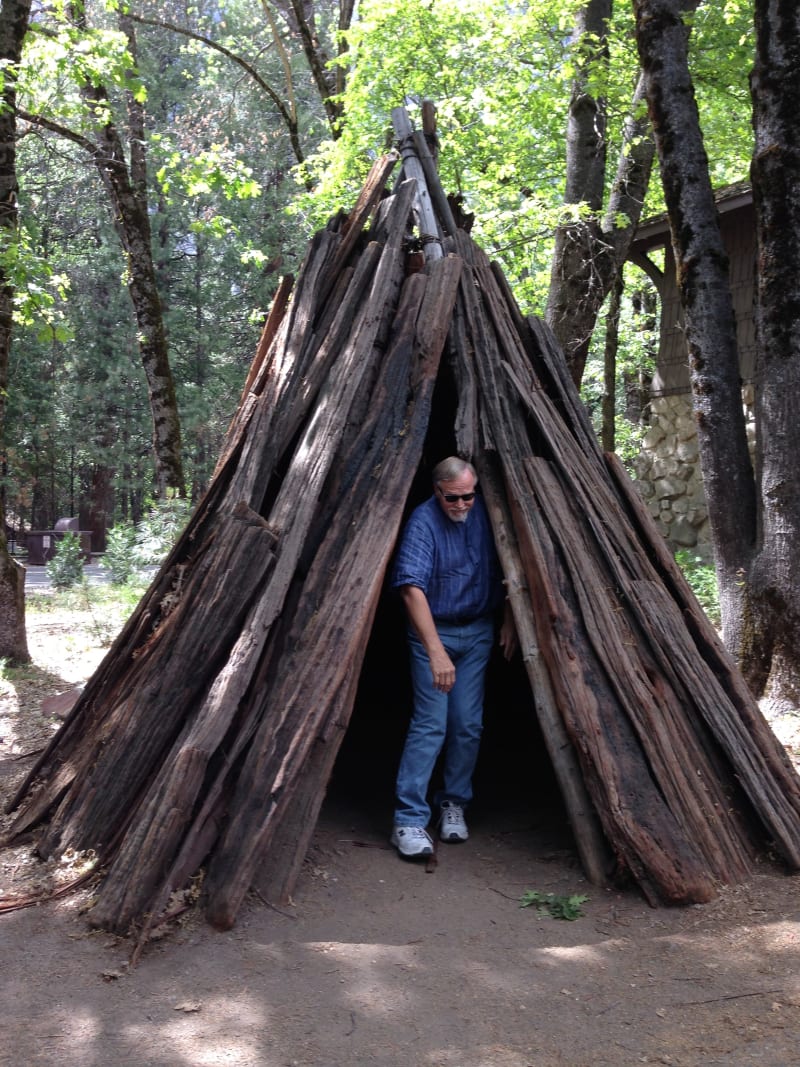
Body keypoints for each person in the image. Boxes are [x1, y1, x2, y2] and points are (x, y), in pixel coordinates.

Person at [389, 456, 516, 859]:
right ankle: (408, 819)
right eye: (452, 498)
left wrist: (512, 619)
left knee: (467, 724)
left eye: (468, 497)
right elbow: (411, 588)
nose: (461, 505)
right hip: (435, 633)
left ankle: (453, 803)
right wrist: (435, 651)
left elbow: (514, 566)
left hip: (477, 630)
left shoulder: (484, 516)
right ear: (436, 491)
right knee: (431, 724)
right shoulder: (423, 522)